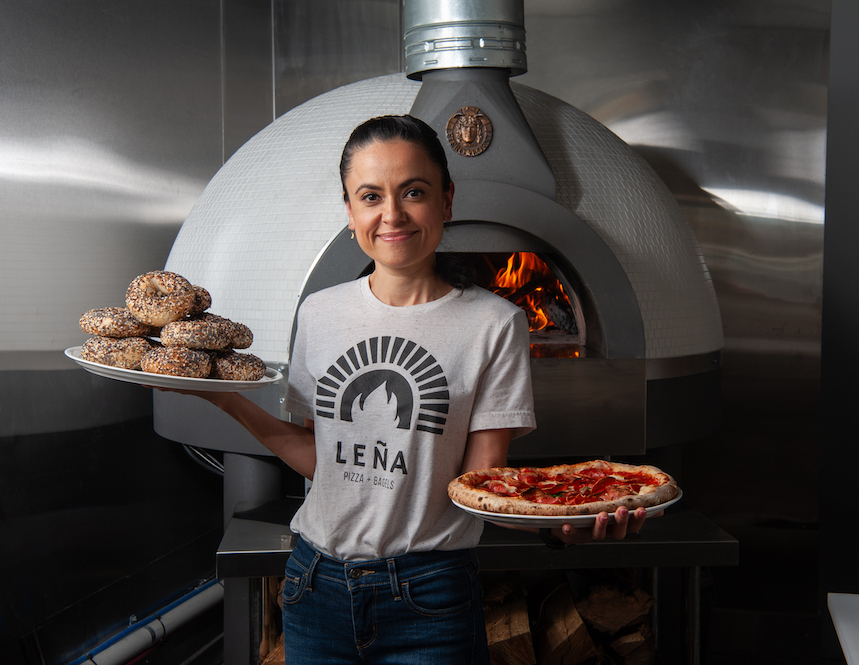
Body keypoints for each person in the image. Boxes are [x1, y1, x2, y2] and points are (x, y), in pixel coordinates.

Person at [179, 115, 649, 664]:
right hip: (315, 584)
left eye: (414, 192)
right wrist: (223, 397)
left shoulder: (493, 323)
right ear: (350, 210)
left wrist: (560, 528)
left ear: (446, 201)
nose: (392, 215)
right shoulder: (320, 313)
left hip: (429, 595)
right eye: (371, 196)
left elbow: (483, 486)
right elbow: (323, 460)